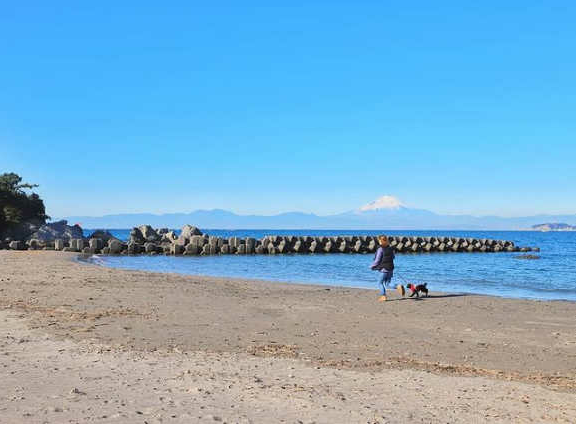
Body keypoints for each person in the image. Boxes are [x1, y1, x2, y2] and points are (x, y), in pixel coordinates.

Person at [370, 235, 405, 302]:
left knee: (380, 283)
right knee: (387, 284)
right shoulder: (390, 249)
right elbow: (393, 257)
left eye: (379, 240)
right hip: (390, 269)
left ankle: (383, 296)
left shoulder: (380, 249)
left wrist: (372, 266)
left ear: (380, 241)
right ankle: (398, 286)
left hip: (383, 269)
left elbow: (377, 260)